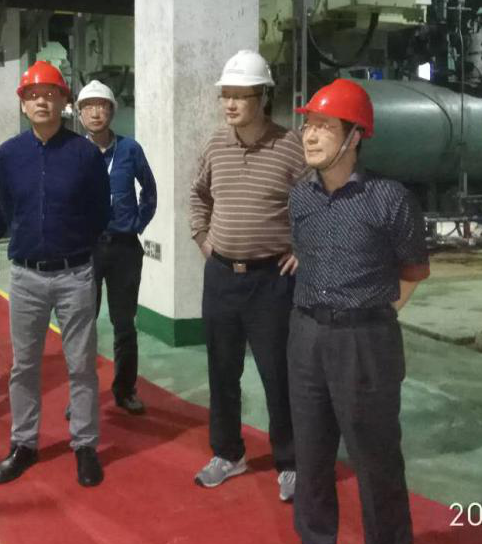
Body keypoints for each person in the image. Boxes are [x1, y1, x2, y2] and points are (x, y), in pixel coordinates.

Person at [288, 78, 430, 544]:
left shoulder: (389, 198)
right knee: (311, 455)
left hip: (365, 342)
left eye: (324, 127)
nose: (310, 135)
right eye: (308, 125)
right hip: (306, 335)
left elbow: (413, 271)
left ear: (354, 137)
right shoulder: (301, 196)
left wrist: (367, 316)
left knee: (375, 459)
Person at [189, 50, 305, 500]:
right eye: (226, 95)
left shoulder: (290, 146)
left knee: (279, 374)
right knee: (222, 371)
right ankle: (227, 453)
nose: (230, 104)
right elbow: (198, 194)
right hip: (221, 277)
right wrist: (203, 238)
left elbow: (315, 202)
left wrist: (302, 248)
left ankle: (290, 462)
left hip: (270, 282)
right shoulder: (216, 145)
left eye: (240, 95)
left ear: (263, 97)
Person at [0, 61, 110, 487]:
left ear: (64, 100)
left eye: (49, 93)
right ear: (23, 105)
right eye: (32, 95)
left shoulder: (84, 154)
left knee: (81, 365)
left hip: (74, 275)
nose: (41, 101)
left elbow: (99, 211)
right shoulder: (9, 155)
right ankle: (24, 444)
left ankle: (85, 445)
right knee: (24, 366)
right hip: (25, 277)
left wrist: (74, 243)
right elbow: (4, 209)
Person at [76, 80, 157, 415]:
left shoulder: (130, 149)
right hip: (85, 251)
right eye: (89, 106)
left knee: (124, 324)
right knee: (82, 325)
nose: (96, 112)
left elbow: (149, 190)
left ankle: (125, 390)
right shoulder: (73, 152)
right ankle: (81, 396)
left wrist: (137, 223)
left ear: (112, 111)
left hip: (124, 249)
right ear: (80, 114)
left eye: (102, 105)